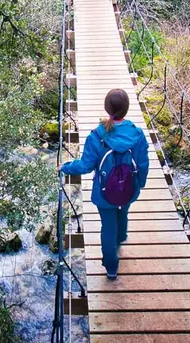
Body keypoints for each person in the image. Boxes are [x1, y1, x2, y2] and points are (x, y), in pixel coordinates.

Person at [60, 88, 149, 279]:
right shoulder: (137, 134)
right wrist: (140, 183)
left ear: (107, 109)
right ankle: (121, 237)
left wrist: (66, 167)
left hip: (104, 193)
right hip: (129, 188)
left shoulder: (96, 136)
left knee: (108, 227)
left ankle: (111, 268)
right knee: (123, 211)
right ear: (127, 109)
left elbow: (85, 165)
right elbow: (142, 163)